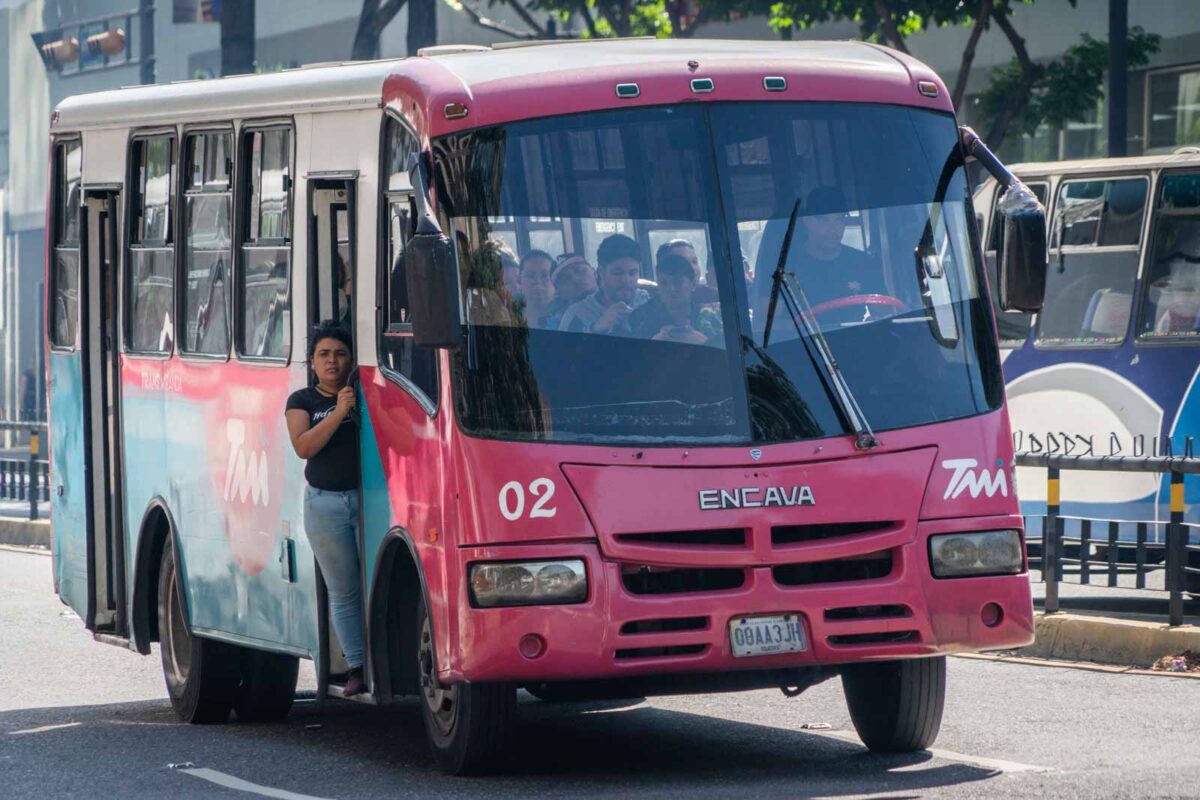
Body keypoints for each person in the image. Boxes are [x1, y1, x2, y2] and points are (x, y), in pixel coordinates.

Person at [284, 321, 366, 696]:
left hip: (369, 504)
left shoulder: (364, 394)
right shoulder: (302, 401)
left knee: (373, 584)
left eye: (340, 354)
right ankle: (357, 667)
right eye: (324, 355)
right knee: (344, 591)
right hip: (326, 506)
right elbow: (303, 447)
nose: (332, 361)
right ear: (313, 362)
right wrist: (337, 412)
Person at [795, 187, 886, 309]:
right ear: (807, 221)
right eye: (824, 220)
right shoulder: (787, 268)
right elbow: (773, 321)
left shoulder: (864, 263)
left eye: (839, 220)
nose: (832, 229)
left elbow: (884, 313)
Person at [559, 234, 649, 335]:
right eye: (618, 273)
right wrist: (596, 329)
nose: (626, 280)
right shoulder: (577, 315)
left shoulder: (649, 302)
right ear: (601, 273)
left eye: (632, 273)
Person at [631, 252, 723, 344]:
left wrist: (705, 343)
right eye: (664, 283)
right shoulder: (641, 318)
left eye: (678, 282)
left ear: (693, 284)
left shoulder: (711, 317)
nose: (671, 289)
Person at [656, 238, 718, 303]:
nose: (692, 268)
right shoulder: (652, 309)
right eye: (683, 263)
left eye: (694, 261)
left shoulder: (715, 297)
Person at [515, 249, 559, 328]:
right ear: (519, 281)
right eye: (530, 276)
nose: (538, 282)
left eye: (545, 276)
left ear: (556, 281)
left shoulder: (568, 317)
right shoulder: (506, 318)